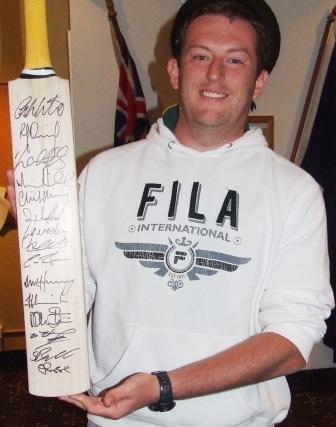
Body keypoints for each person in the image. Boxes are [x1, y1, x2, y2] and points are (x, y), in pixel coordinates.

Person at [6, 0, 334, 426]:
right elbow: (70, 291)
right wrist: (43, 241)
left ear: (259, 81)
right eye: (200, 56)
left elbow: (293, 337)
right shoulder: (106, 172)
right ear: (176, 70)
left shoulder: (294, 192)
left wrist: (163, 386)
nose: (215, 74)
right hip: (116, 421)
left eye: (235, 60)